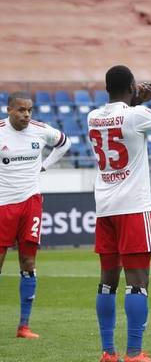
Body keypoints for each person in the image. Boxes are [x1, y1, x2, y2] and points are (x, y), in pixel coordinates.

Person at [88, 66, 151, 362]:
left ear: (107, 88)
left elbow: (122, 114)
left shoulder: (93, 116)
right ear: (131, 86)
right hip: (133, 208)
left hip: (105, 208)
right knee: (137, 282)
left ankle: (108, 352)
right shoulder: (136, 115)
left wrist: (136, 98)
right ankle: (133, 353)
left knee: (107, 281)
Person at [0, 92, 70, 339]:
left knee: (28, 262)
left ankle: (24, 326)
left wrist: (45, 165)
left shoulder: (40, 130)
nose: (26, 115)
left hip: (31, 202)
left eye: (29, 110)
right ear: (9, 110)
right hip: (3, 204)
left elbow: (65, 143)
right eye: (21, 110)